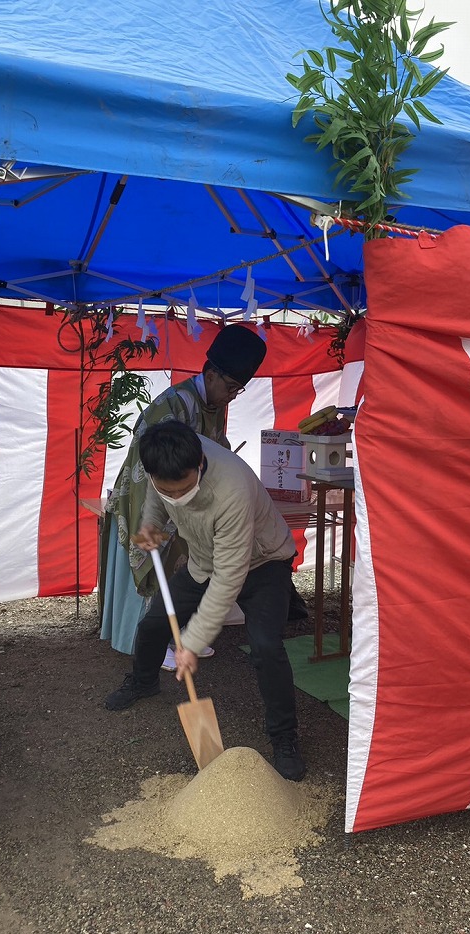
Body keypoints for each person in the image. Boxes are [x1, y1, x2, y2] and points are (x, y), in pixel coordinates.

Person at [104, 421, 306, 782]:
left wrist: (193, 642)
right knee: (153, 624)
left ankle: (284, 736)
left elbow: (229, 578)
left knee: (265, 645)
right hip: (203, 560)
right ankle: (144, 680)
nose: (177, 497)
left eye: (184, 489)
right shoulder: (164, 464)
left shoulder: (232, 488)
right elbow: (157, 496)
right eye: (169, 491)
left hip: (262, 562)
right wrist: (153, 524)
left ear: (200, 465)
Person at [100, 323, 268, 659]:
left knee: (187, 564)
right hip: (149, 492)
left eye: (238, 391)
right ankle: (149, 643)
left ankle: (178, 637)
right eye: (231, 388)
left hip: (183, 494)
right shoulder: (174, 405)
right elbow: (157, 463)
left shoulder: (212, 405)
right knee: (158, 561)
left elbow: (215, 447)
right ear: (211, 374)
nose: (231, 396)